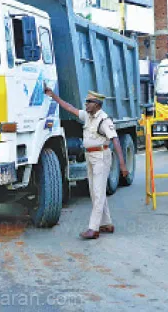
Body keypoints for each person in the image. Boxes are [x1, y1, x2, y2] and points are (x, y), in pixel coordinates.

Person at [44, 87, 129, 240]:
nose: (86, 104)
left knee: (97, 192)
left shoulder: (104, 120)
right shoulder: (88, 116)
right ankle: (106, 224)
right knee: (95, 191)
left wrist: (122, 165)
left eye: (89, 102)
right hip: (90, 157)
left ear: (97, 104)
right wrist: (53, 96)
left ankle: (93, 228)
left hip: (101, 157)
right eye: (86, 101)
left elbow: (115, 140)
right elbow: (69, 108)